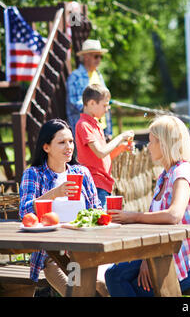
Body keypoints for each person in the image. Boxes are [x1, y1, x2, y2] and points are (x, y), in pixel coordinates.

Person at [104, 115, 190, 296]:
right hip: (164, 255)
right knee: (114, 274)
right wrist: (147, 257)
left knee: (136, 288)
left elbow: (173, 215)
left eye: (152, 141)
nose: (148, 147)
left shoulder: (182, 172)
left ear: (165, 144)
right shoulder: (165, 175)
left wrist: (133, 216)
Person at [19, 119, 109, 297]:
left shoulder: (81, 173)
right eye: (61, 142)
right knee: (82, 292)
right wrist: (55, 193)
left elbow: (96, 209)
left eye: (70, 141)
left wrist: (102, 216)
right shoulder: (34, 174)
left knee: (107, 286)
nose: (69, 147)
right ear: (46, 147)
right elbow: (25, 211)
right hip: (53, 257)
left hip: (86, 251)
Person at [75, 84, 134, 207]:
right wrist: (120, 137)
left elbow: (104, 157)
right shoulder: (84, 125)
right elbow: (100, 152)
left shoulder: (96, 125)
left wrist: (121, 148)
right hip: (95, 184)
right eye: (105, 105)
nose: (107, 109)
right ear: (91, 103)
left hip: (104, 183)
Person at [67, 39, 113, 140]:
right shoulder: (75, 76)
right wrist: (94, 110)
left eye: (101, 56)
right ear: (86, 57)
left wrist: (109, 131)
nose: (99, 59)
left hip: (101, 128)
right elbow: (75, 102)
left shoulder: (98, 75)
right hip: (86, 131)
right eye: (96, 56)